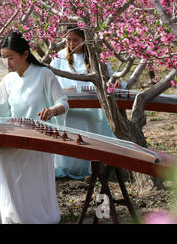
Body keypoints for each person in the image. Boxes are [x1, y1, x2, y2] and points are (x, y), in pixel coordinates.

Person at [0, 31, 69, 224]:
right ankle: (9, 214)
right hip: (16, 136)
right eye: (4, 58)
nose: (7, 63)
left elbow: (63, 103)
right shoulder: (9, 80)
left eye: (11, 58)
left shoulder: (44, 74)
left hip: (39, 140)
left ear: (25, 54)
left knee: (1, 159)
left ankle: (29, 215)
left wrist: (52, 111)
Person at [50, 26, 123, 179]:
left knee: (91, 127)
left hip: (92, 106)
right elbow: (50, 78)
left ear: (84, 40)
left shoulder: (95, 56)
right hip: (68, 104)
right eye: (68, 40)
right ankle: (66, 166)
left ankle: (92, 168)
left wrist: (116, 83)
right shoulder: (59, 57)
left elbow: (109, 77)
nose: (71, 43)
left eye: (75, 40)